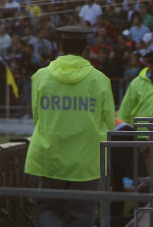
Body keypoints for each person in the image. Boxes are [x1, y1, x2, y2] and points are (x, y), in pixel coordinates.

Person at [25, 24, 116, 227]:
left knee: (48, 211)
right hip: (86, 162)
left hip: (49, 158)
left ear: (60, 47)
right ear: (85, 49)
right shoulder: (100, 80)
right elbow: (109, 121)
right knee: (82, 217)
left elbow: (38, 117)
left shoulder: (40, 77)